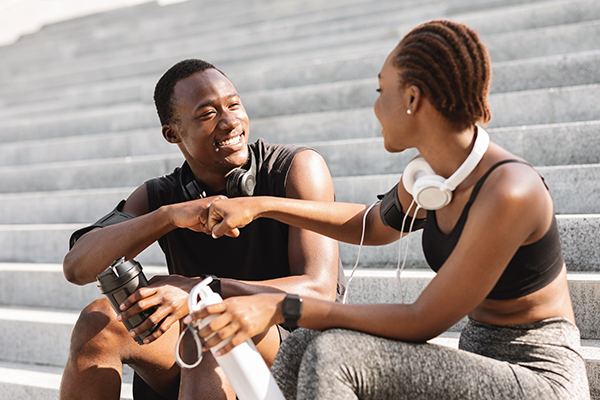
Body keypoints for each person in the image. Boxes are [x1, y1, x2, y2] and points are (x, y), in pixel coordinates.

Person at [188, 20, 590, 399]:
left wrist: (283, 306)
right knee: (303, 344)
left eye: (382, 91)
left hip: (538, 378)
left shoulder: (510, 191)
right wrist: (261, 205)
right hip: (479, 362)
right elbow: (371, 224)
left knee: (335, 354)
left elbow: (422, 320)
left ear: (412, 98)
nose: (376, 107)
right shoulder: (431, 175)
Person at [59, 58, 344, 400]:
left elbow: (318, 290)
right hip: (202, 340)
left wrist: (203, 293)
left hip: (292, 343)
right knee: (99, 323)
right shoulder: (161, 196)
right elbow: (76, 268)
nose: (230, 122)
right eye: (208, 114)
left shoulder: (297, 168)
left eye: (234, 105)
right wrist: (167, 216)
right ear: (172, 134)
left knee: (212, 328)